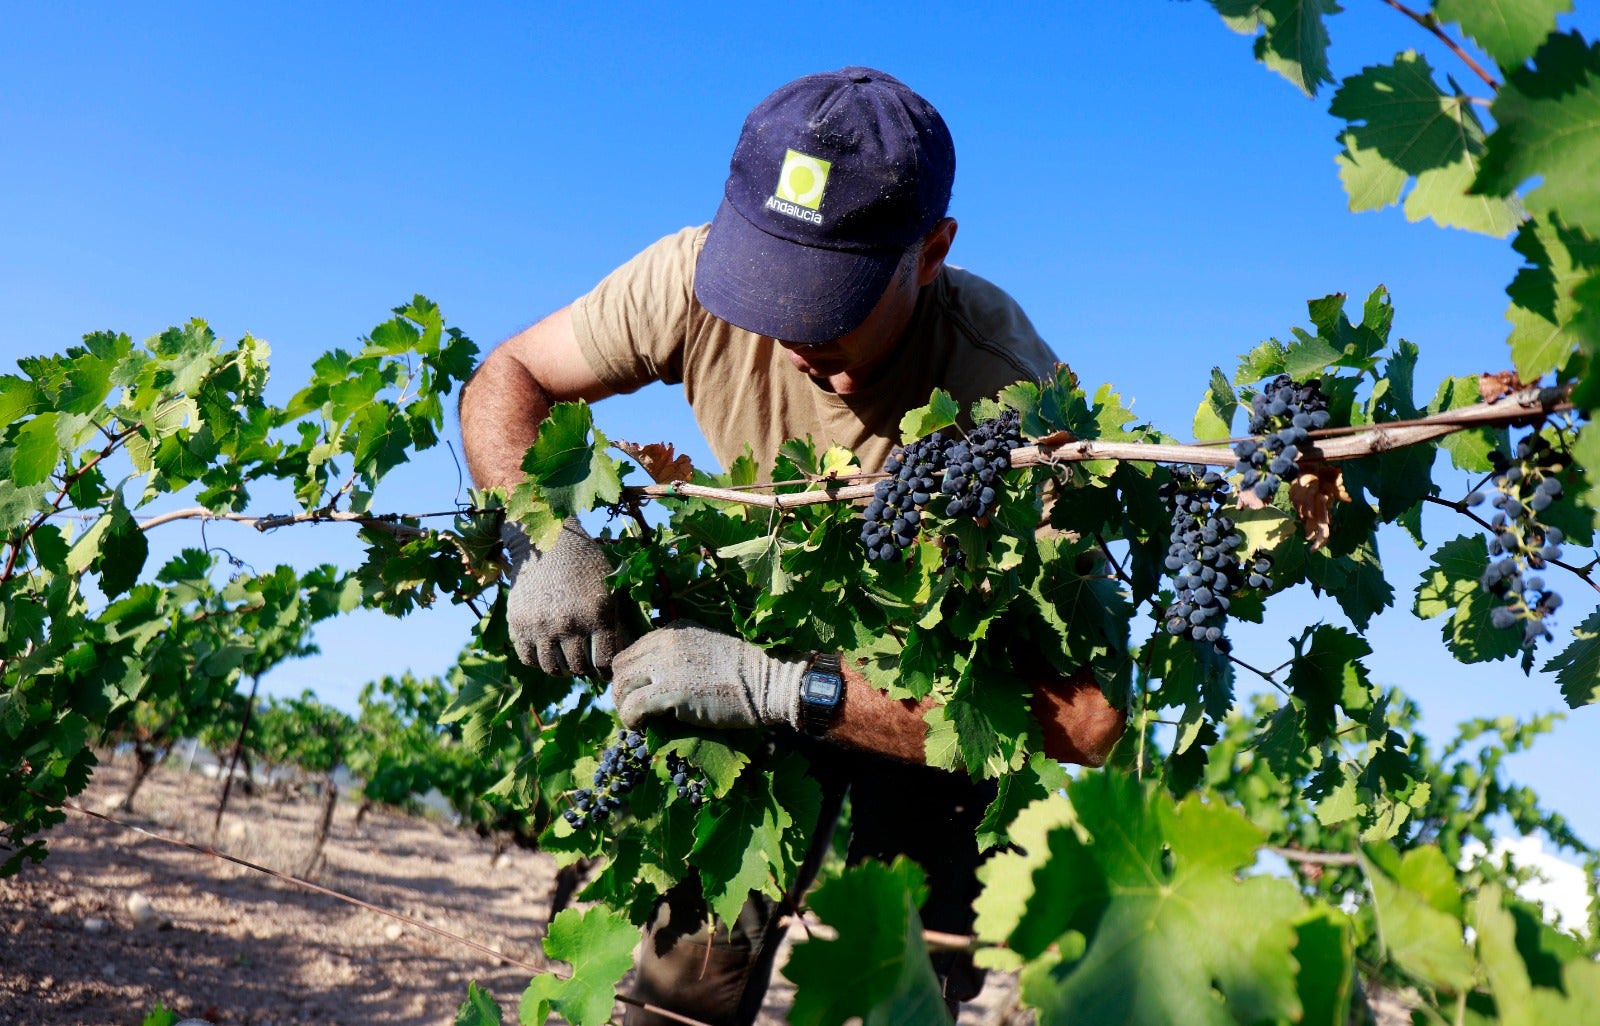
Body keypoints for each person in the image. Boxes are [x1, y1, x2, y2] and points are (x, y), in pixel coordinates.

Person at [459, 67, 1125, 1025]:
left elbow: (1091, 719)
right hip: (738, 658)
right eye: (769, 283)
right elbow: (509, 372)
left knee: (898, 991)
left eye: (833, 295)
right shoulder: (691, 282)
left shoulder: (1013, 400)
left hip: (930, 709)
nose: (794, 328)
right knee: (678, 991)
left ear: (931, 252)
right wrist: (546, 532)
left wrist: (791, 688)